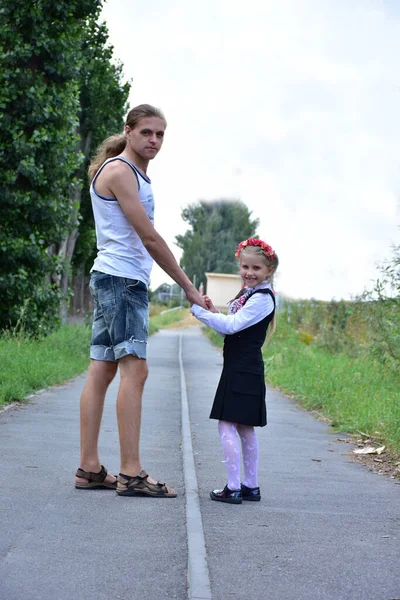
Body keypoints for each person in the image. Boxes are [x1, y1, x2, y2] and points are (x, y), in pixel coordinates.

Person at [75, 104, 206, 498]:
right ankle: (130, 473)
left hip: (114, 278)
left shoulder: (133, 173)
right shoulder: (119, 171)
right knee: (136, 371)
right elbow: (149, 238)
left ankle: (90, 467)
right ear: (128, 131)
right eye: (147, 132)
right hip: (121, 281)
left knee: (103, 370)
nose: (154, 140)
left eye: (160, 134)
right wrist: (188, 287)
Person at [190, 237, 279, 504]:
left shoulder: (263, 298)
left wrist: (198, 312)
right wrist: (210, 310)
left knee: (227, 425)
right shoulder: (249, 294)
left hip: (242, 369)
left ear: (269, 270)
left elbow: (232, 326)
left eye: (256, 268)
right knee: (243, 428)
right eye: (245, 267)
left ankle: (233, 487)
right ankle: (250, 486)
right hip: (242, 368)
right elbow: (230, 325)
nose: (249, 273)